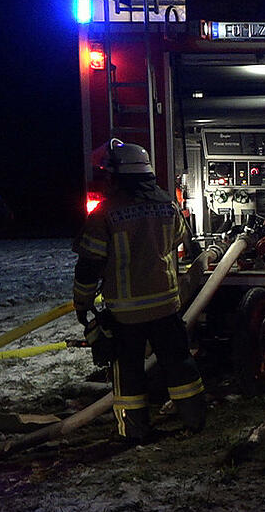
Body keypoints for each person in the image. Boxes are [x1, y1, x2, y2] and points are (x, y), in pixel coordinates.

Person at [72, 139, 205, 443]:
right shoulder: (167, 205)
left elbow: (89, 267)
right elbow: (178, 242)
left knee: (129, 372)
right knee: (180, 363)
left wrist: (82, 303)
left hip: (126, 313)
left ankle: (135, 431)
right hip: (167, 306)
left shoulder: (104, 215)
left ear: (117, 176)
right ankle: (195, 420)